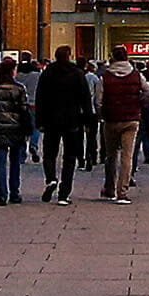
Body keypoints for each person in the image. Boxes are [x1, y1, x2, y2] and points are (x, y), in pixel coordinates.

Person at [34, 45, 92, 205]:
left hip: (51, 120)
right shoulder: (77, 73)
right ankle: (64, 193)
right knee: (70, 157)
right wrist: (88, 120)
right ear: (69, 56)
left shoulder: (48, 73)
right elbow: (85, 98)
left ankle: (51, 179)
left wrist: (39, 121)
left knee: (49, 153)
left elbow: (40, 98)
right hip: (72, 120)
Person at [99, 46, 149, 204]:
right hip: (131, 118)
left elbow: (98, 100)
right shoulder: (137, 76)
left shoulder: (105, 77)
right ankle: (122, 191)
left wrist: (102, 113)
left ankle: (109, 188)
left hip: (111, 119)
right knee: (127, 156)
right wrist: (139, 103)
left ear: (112, 58)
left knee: (110, 155)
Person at [0, 58, 32, 206]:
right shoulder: (19, 88)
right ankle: (15, 193)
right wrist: (28, 128)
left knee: (0, 162)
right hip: (16, 128)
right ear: (12, 71)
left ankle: (2, 195)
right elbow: (24, 111)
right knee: (15, 162)